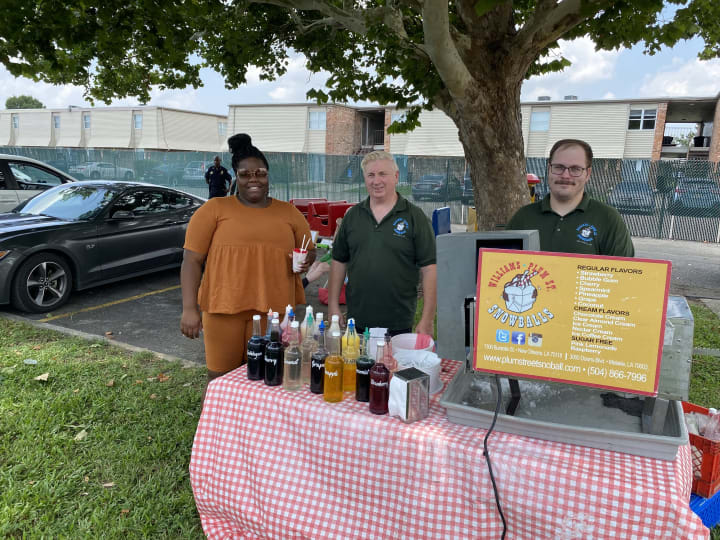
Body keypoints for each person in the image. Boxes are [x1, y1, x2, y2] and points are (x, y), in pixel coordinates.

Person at [181, 133, 316, 390]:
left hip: (273, 312)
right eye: (245, 174)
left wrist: (304, 260)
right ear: (235, 177)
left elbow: (308, 250)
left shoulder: (289, 213)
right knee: (220, 382)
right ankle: (216, 430)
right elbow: (191, 260)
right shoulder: (214, 210)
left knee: (267, 382)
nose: (254, 179)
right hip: (223, 310)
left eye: (260, 173)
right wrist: (189, 308)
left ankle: (257, 430)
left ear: (268, 175)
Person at [327, 151, 437, 336]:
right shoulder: (353, 216)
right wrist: (332, 305)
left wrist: (427, 319)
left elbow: (430, 268)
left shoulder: (414, 217)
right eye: (371, 175)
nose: (376, 181)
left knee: (394, 366)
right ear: (364, 178)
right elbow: (339, 261)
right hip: (357, 320)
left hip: (398, 322)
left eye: (382, 174)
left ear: (396, 176)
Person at [507, 139, 634, 257]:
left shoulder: (608, 219)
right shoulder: (523, 217)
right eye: (559, 167)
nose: (565, 175)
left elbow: (625, 276)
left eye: (575, 169)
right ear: (549, 169)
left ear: (587, 174)